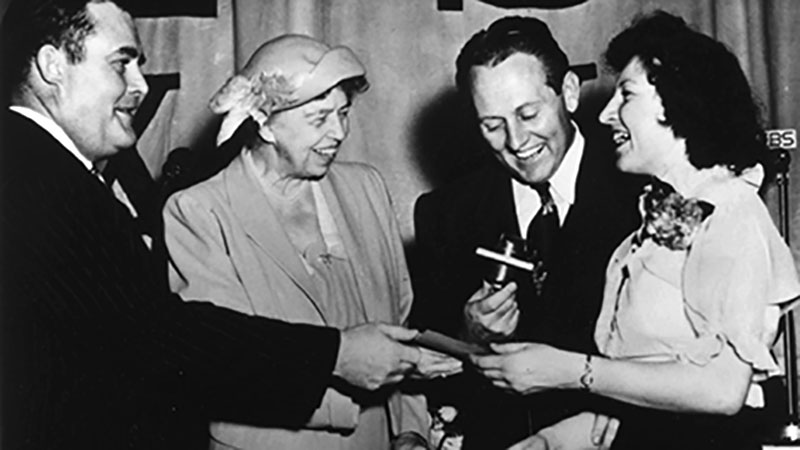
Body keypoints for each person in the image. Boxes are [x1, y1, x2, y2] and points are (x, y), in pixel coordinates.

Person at [0, 1, 434, 448]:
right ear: (52, 65)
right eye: (121, 64)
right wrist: (336, 356)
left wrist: (408, 428)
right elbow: (164, 341)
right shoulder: (34, 182)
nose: (141, 85)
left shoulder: (55, 178)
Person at [471, 11, 800, 450]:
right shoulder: (656, 219)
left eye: (625, 94)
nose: (606, 113)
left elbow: (724, 391)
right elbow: (649, 396)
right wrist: (550, 441)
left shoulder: (732, 213)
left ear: (678, 100)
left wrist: (569, 371)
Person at [163, 34, 460, 450]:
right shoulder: (198, 212)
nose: (338, 132)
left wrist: (409, 430)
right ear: (265, 123)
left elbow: (400, 325)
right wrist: (350, 376)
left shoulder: (366, 189)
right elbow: (224, 368)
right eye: (319, 119)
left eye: (343, 112)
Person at [411, 16, 642, 449]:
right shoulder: (446, 213)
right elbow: (425, 353)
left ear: (569, 93)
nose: (516, 141)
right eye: (492, 125)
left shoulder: (641, 195)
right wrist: (468, 332)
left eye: (528, 113)